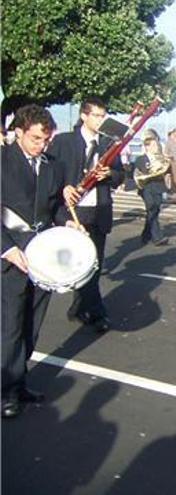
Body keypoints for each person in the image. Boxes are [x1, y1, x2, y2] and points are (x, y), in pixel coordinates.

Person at [2, 105, 69, 418]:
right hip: (10, 258)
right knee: (10, 328)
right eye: (35, 139)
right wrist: (6, 249)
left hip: (42, 258)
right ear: (18, 132)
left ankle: (20, 380)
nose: (41, 145)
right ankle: (6, 391)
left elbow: (53, 206)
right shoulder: (2, 162)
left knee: (32, 324)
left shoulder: (51, 164)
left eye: (45, 140)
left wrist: (67, 222)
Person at [51, 97, 123, 332]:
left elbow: (121, 176)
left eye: (104, 116)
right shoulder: (64, 141)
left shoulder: (109, 144)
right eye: (97, 116)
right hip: (75, 211)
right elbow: (51, 172)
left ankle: (78, 308)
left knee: (95, 263)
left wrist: (109, 174)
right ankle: (97, 312)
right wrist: (64, 187)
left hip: (99, 209)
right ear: (84, 116)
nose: (101, 120)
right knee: (82, 261)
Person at [134, 134, 169, 246]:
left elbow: (166, 171)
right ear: (147, 147)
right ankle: (157, 238)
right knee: (151, 207)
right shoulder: (141, 159)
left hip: (158, 186)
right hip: (146, 187)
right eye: (153, 145)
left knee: (154, 211)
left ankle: (146, 234)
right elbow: (142, 171)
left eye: (156, 145)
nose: (156, 147)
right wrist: (153, 169)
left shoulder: (161, 158)